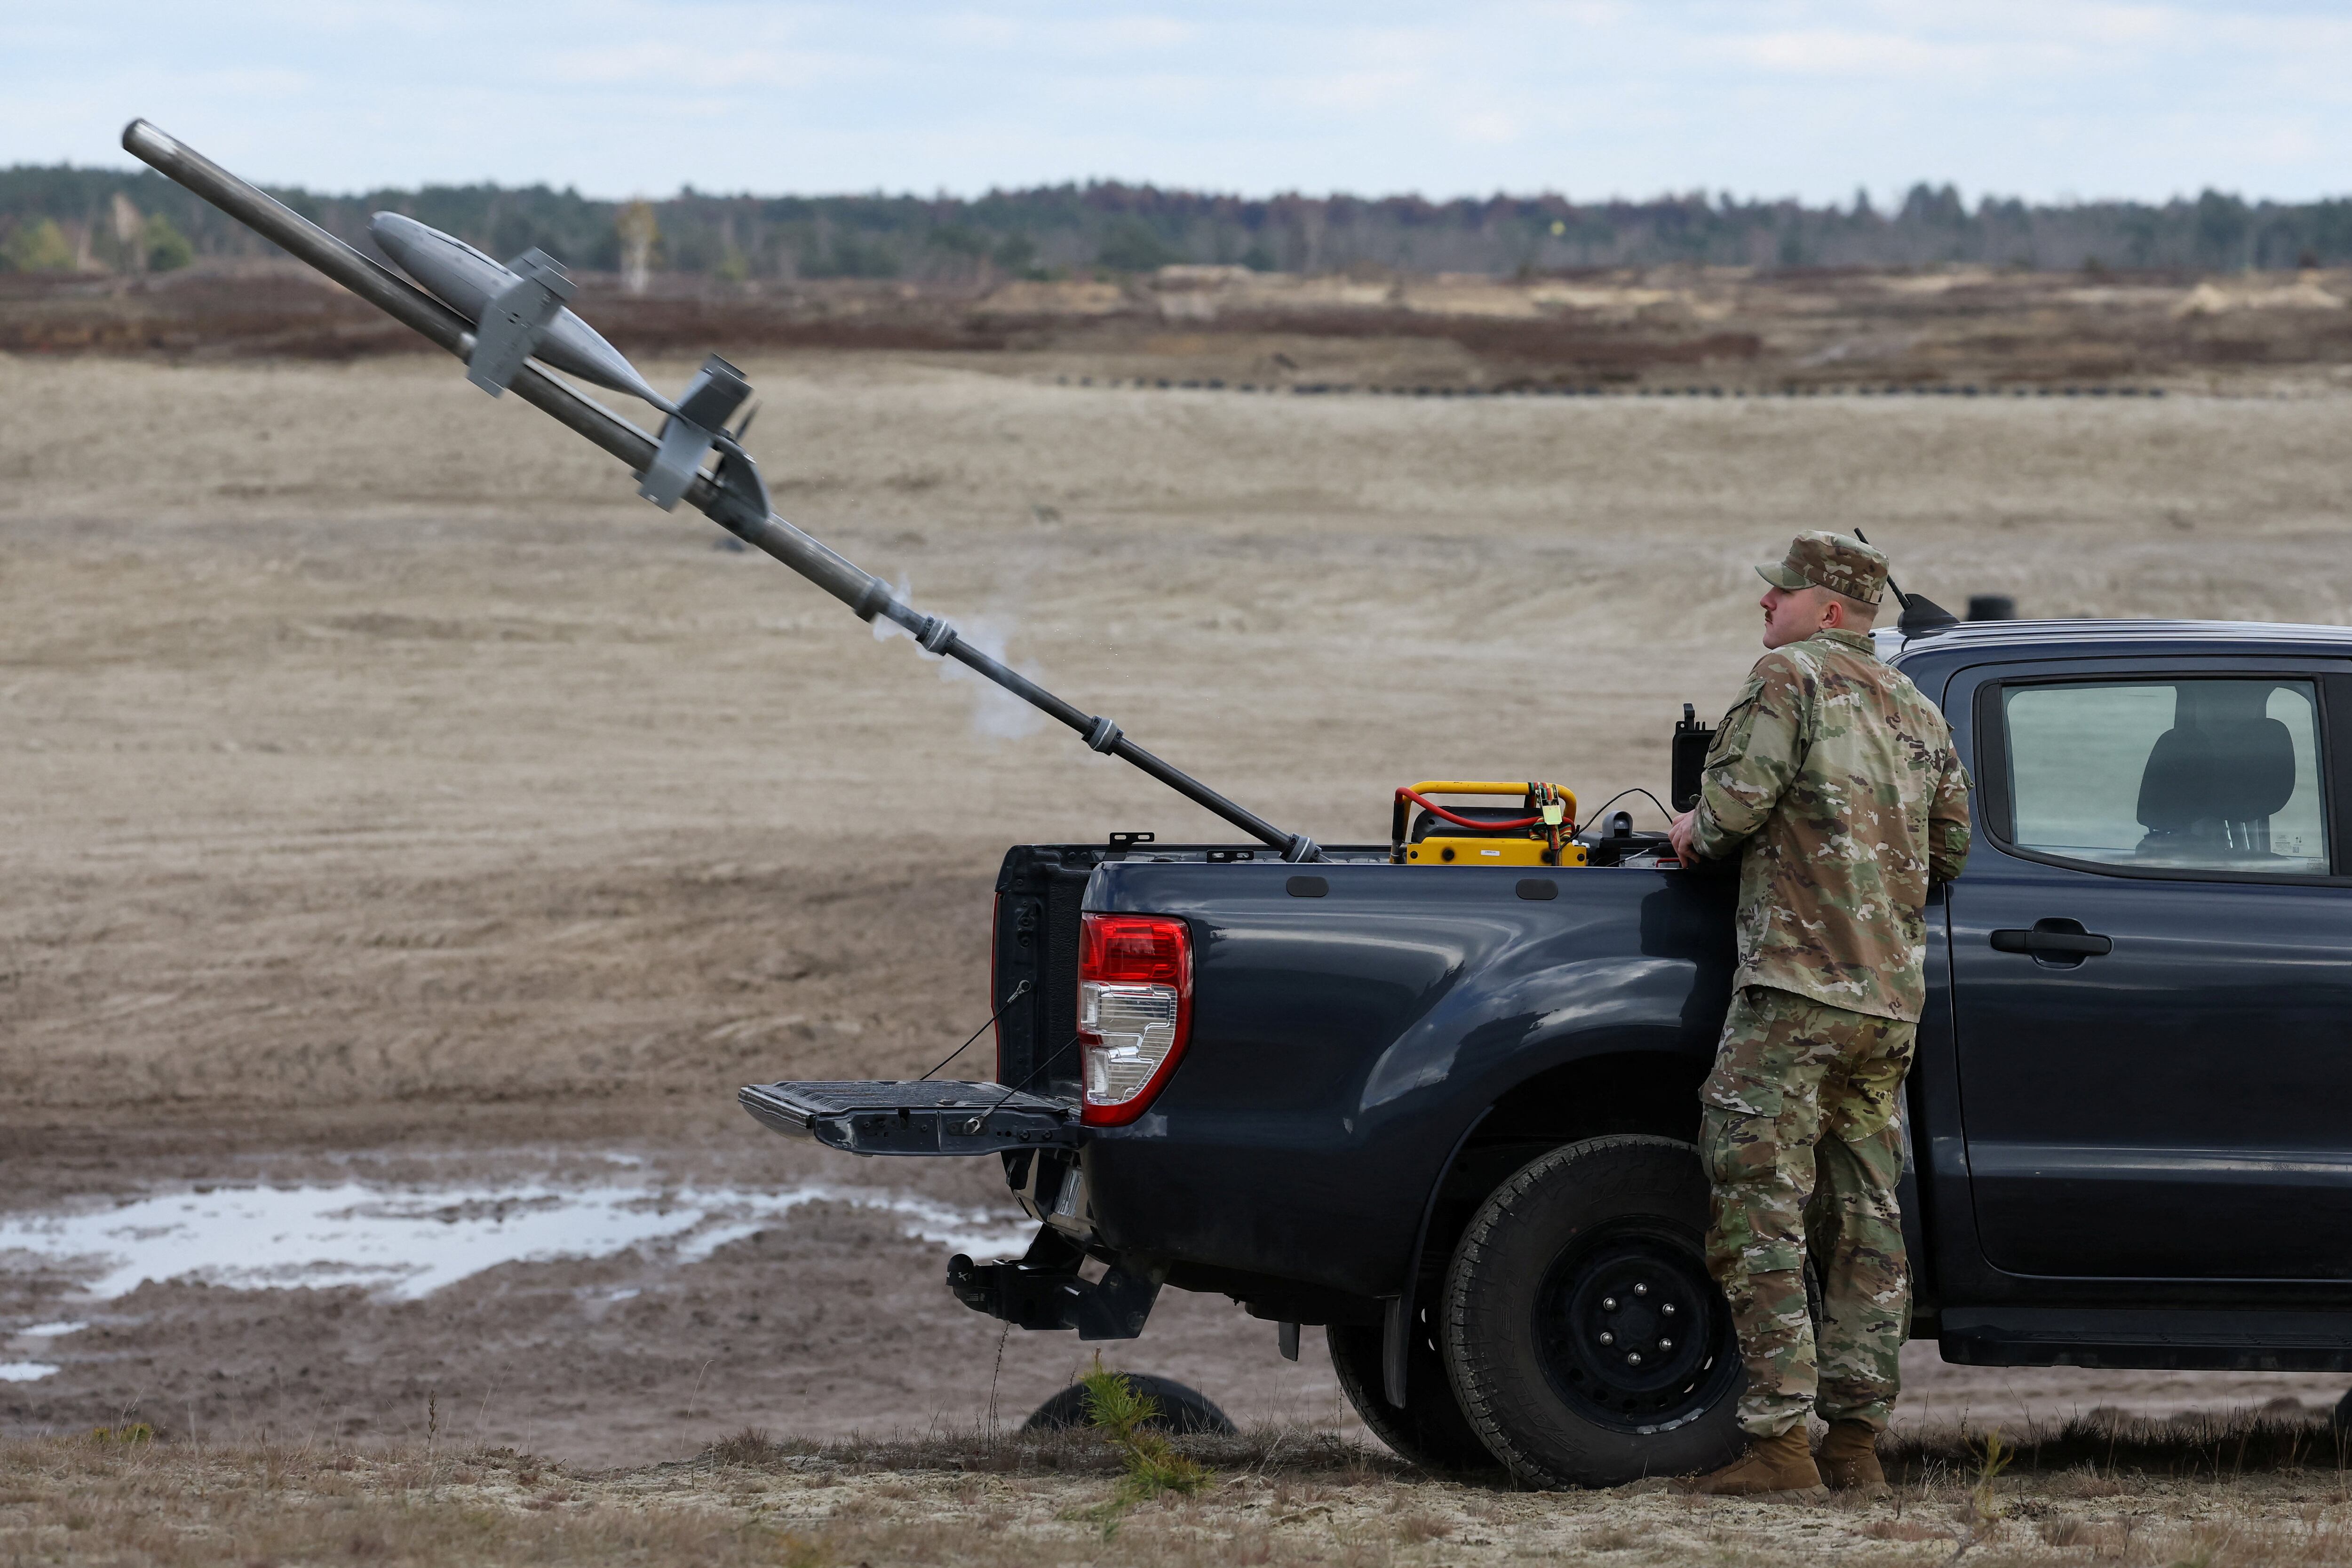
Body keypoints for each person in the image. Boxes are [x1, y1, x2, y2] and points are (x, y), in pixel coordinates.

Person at [1666, 531, 1971, 1498]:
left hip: (1794, 993)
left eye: (1782, 591)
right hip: (1886, 1007)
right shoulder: (1919, 708)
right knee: (1866, 1222)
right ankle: (1855, 1445)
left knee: (1758, 1207)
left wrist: (1686, 828)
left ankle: (1778, 1446)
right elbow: (1950, 851)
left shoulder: (1786, 678)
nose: (1767, 603)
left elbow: (1727, 816)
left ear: (1830, 608)